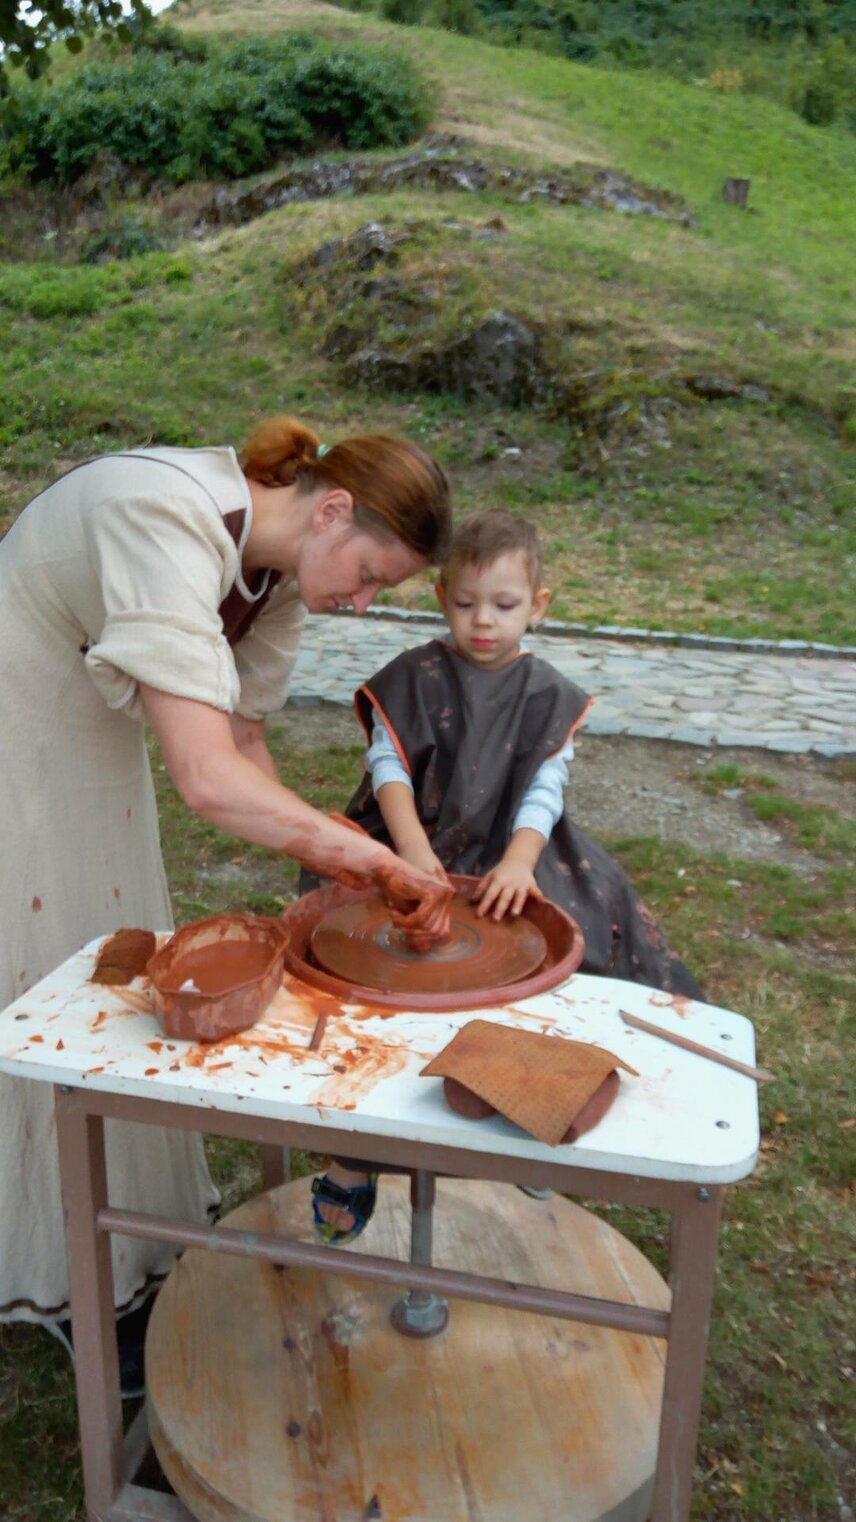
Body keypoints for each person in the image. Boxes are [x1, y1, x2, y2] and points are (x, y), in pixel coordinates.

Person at [0, 415, 453, 1393]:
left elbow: (243, 747)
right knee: (44, 980)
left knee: (113, 957)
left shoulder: (279, 577)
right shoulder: (161, 513)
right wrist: (373, 863)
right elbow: (207, 781)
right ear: (332, 510)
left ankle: (128, 1246)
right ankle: (73, 1279)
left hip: (84, 714)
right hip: (15, 707)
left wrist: (341, 861)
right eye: (372, 573)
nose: (369, 602)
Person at [309, 508, 703, 1241]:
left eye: (504, 605)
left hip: (512, 848)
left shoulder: (546, 692)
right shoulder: (417, 675)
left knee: (563, 944)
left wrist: (521, 861)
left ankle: (529, 1102)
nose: (482, 622)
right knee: (361, 984)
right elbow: (388, 766)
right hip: (409, 839)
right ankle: (351, 1157)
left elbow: (546, 790)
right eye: (464, 604)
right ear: (441, 600)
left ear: (539, 606)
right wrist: (407, 851)